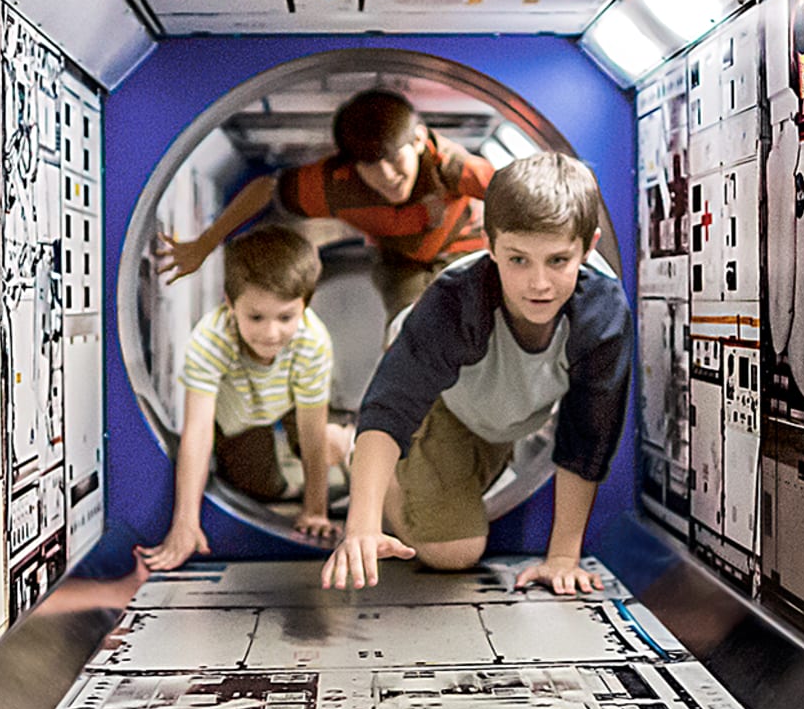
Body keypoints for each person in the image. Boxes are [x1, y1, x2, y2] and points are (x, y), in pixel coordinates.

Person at [320, 152, 631, 595]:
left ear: (588, 246)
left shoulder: (602, 316)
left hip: (504, 412)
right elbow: (391, 408)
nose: (538, 283)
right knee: (455, 551)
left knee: (465, 487)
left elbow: (588, 436)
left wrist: (563, 557)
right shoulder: (457, 301)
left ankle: (407, 470)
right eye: (518, 259)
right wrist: (362, 526)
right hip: (439, 400)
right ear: (490, 245)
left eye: (558, 260)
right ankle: (352, 452)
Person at [157, 88, 494, 323]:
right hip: (401, 262)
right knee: (408, 332)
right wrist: (205, 243)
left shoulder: (450, 167)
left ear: (419, 140)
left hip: (468, 249)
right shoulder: (336, 185)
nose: (387, 176)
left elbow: (520, 194)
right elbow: (267, 188)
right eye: (370, 166)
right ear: (352, 165)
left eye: (394, 159)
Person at [139, 226, 353, 570]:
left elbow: (310, 431)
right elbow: (197, 431)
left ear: (305, 306)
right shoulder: (211, 339)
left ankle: (344, 437)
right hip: (238, 417)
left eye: (286, 317)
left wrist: (316, 510)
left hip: (291, 400)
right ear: (229, 303)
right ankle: (285, 478)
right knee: (261, 487)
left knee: (323, 441)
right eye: (255, 317)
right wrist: (185, 521)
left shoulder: (311, 341)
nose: (271, 333)